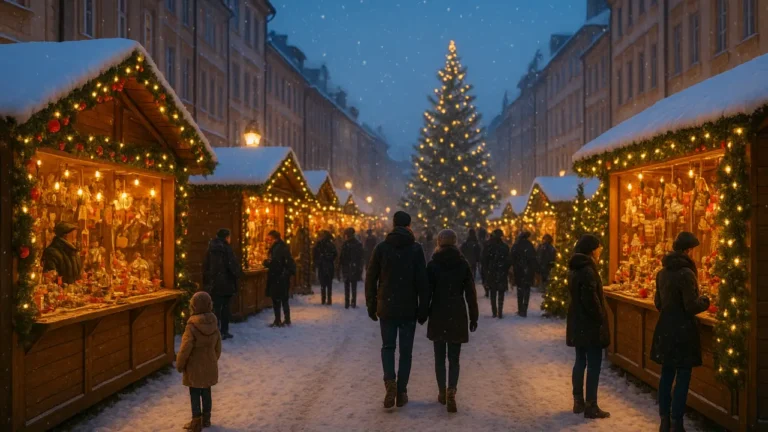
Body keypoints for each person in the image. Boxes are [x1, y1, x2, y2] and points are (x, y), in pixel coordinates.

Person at [365, 211, 429, 409]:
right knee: (406, 352)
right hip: (408, 306)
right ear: (409, 226)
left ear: (393, 225)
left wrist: (371, 304)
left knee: (388, 347)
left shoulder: (381, 248)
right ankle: (401, 391)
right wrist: (423, 308)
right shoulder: (416, 249)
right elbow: (422, 281)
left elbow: (371, 278)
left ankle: (390, 381)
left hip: (387, 305)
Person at [651, 232, 710, 432]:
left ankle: (664, 420)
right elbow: (691, 306)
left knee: (666, 375)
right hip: (683, 331)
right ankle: (676, 421)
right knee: (683, 376)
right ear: (687, 251)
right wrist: (706, 301)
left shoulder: (662, 273)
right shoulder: (687, 274)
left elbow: (658, 303)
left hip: (666, 328)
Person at [426, 229, 479, 413]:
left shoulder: (433, 264)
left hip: (438, 312)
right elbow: (470, 293)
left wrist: (423, 313)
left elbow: (427, 292)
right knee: (454, 358)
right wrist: (473, 316)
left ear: (439, 242)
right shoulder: (462, 264)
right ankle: (451, 390)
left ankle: (442, 391)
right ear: (455, 242)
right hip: (457, 312)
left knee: (439, 357)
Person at [566, 234, 610, 420]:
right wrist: (600, 317)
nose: (600, 251)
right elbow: (591, 300)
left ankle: (578, 401)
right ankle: (591, 405)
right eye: (598, 248)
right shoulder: (588, 270)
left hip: (578, 322)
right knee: (593, 364)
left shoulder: (576, 268)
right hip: (589, 324)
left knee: (580, 361)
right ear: (592, 250)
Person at [176, 291, 222, 432]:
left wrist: (180, 363)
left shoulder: (192, 326)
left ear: (193, 306)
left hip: (194, 366)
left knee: (195, 393)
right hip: (209, 364)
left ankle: (196, 421)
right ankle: (206, 418)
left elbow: (185, 348)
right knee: (206, 391)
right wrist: (212, 359)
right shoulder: (213, 323)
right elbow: (218, 346)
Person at [202, 228, 242, 340]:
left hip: (214, 283)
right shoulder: (226, 248)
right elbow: (232, 265)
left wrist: (208, 280)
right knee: (225, 308)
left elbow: (206, 265)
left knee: (216, 308)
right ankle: (224, 331)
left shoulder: (211, 248)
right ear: (226, 237)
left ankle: (215, 331)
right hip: (226, 283)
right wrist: (238, 273)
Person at [264, 230, 296, 327]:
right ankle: (286, 319)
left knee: (277, 299)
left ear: (274, 238)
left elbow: (276, 263)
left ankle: (278, 320)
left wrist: (266, 263)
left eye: (269, 238)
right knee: (283, 299)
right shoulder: (282, 246)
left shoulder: (278, 248)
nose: (268, 240)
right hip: (283, 276)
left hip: (278, 277)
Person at [481, 229, 511, 318]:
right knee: (501, 293)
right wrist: (505, 269)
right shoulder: (505, 247)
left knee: (493, 292)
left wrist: (486, 270)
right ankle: (500, 312)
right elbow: (508, 261)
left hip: (492, 272)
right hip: (501, 272)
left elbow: (484, 260)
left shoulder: (488, 246)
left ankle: (494, 312)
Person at [510, 231, 538, 317]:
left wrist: (514, 266)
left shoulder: (516, 245)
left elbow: (511, 257)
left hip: (519, 270)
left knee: (520, 290)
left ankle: (520, 309)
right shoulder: (530, 245)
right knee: (526, 289)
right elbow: (534, 258)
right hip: (528, 271)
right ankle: (525, 309)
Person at [340, 227, 365, 309]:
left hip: (347, 267)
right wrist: (359, 268)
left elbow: (342, 257)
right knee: (353, 286)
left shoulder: (345, 244)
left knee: (347, 286)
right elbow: (361, 257)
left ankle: (347, 303)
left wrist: (341, 266)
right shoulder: (358, 244)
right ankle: (353, 302)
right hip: (354, 267)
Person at [313, 230, 337, 305]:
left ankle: (323, 299)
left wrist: (318, 261)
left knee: (323, 283)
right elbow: (335, 254)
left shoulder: (319, 244)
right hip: (329, 265)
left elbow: (315, 254)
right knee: (329, 284)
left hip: (322, 265)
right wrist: (330, 258)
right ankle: (329, 299)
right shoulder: (331, 245)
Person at [477, 227, 489, 297]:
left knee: (484, 277)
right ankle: (487, 289)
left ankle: (487, 290)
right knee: (486, 276)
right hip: (486, 262)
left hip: (484, 262)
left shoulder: (479, 243)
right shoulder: (487, 243)